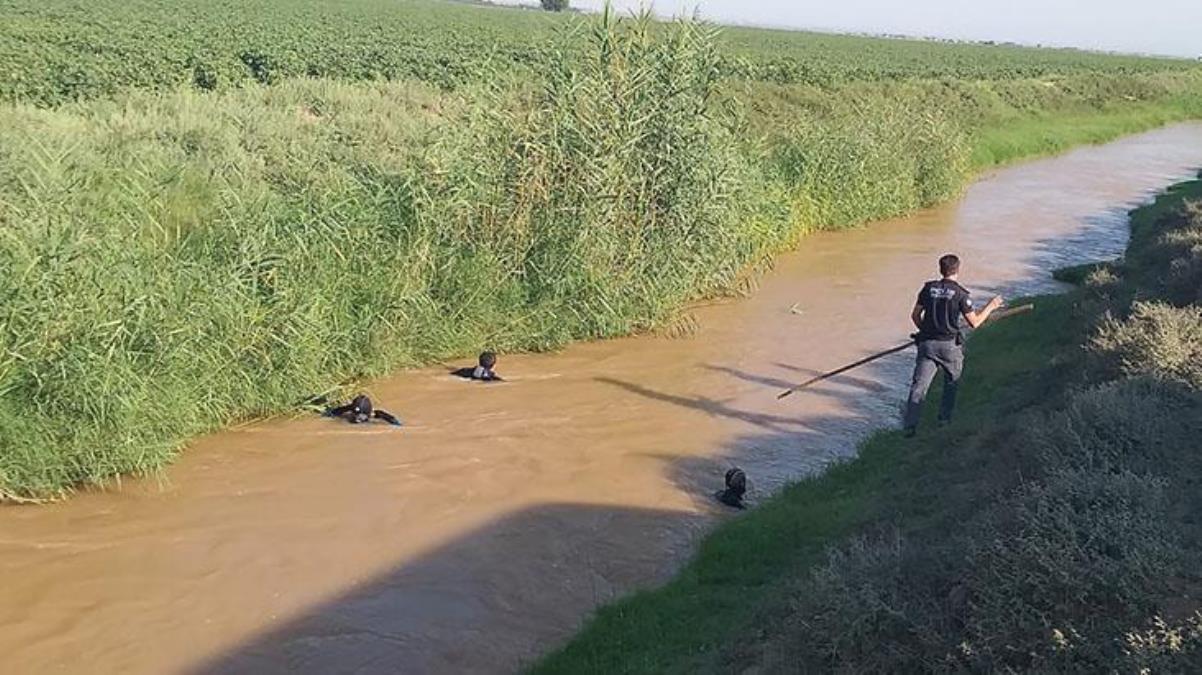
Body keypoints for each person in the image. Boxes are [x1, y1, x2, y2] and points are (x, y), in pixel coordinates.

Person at [903, 254, 1003, 437]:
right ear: (957, 269)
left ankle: (910, 426)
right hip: (949, 346)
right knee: (951, 382)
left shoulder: (928, 288)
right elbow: (974, 323)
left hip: (927, 345)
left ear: (940, 269)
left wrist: (925, 330)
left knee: (919, 386)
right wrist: (991, 306)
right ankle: (944, 420)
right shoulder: (961, 294)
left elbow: (915, 315)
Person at [323, 394, 402, 426]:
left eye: (361, 416)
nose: (357, 419)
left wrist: (396, 424)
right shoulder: (350, 408)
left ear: (369, 413)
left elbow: (393, 421)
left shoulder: (378, 414)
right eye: (356, 415)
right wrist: (328, 414)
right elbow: (336, 411)